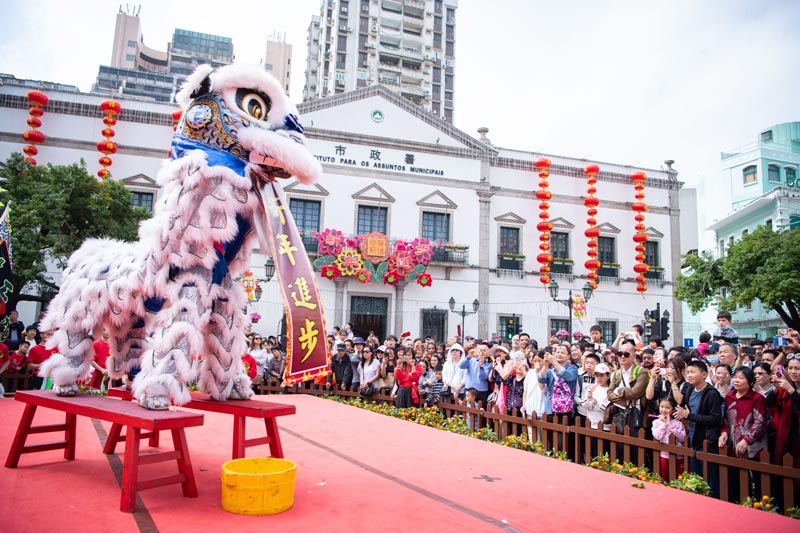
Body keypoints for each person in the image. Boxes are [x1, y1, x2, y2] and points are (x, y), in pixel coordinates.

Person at [674, 360, 722, 498]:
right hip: (693, 438)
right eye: (688, 372)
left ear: (704, 374)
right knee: (695, 476)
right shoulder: (690, 389)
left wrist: (690, 416)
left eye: (693, 372)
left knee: (710, 479)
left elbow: (715, 418)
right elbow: (686, 408)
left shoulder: (711, 393)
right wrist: (684, 415)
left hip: (707, 439)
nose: (689, 375)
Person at [719, 366, 768, 497]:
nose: (736, 380)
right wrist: (724, 433)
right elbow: (726, 419)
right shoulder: (729, 396)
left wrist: (746, 440)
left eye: (741, 378)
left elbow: (760, 423)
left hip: (753, 447)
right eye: (735, 377)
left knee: (756, 483)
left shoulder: (757, 398)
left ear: (750, 382)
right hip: (733, 444)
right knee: (735, 482)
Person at [605, 340, 648, 433]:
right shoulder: (617, 373)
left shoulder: (642, 372)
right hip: (618, 414)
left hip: (634, 414)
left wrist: (619, 390)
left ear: (634, 356)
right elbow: (609, 394)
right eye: (620, 354)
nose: (622, 356)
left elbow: (635, 393)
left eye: (626, 354)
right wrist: (624, 402)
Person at [651, 398, 686, 481]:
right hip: (664, 455)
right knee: (664, 478)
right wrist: (664, 423)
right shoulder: (656, 422)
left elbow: (683, 438)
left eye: (667, 407)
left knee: (679, 479)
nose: (664, 409)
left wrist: (669, 424)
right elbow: (658, 436)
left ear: (673, 409)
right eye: (661, 407)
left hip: (678, 455)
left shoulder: (678, 423)